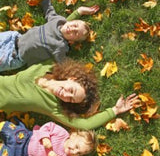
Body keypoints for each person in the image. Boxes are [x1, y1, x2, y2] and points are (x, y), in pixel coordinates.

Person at [0, 58, 139, 130]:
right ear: (72, 79)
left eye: (71, 100)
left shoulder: (53, 107)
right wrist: (78, 13)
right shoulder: (49, 66)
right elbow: (59, 31)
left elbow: (84, 124)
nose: (66, 95)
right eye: (71, 90)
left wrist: (114, 110)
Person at [0, 0, 99, 72]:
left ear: (71, 42)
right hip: (12, 37)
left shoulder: (60, 46)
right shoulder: (58, 20)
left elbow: (64, 63)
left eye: (76, 33)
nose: (72, 29)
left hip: (13, 57)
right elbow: (49, 10)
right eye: (75, 25)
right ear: (70, 21)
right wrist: (79, 11)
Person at [0, 119, 96, 156]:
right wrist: (45, 138)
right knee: (10, 131)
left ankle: (2, 149)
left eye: (78, 153)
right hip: (27, 138)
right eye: (77, 147)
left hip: (24, 154)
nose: (74, 152)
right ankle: (3, 126)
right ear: (73, 135)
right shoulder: (62, 133)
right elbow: (48, 126)